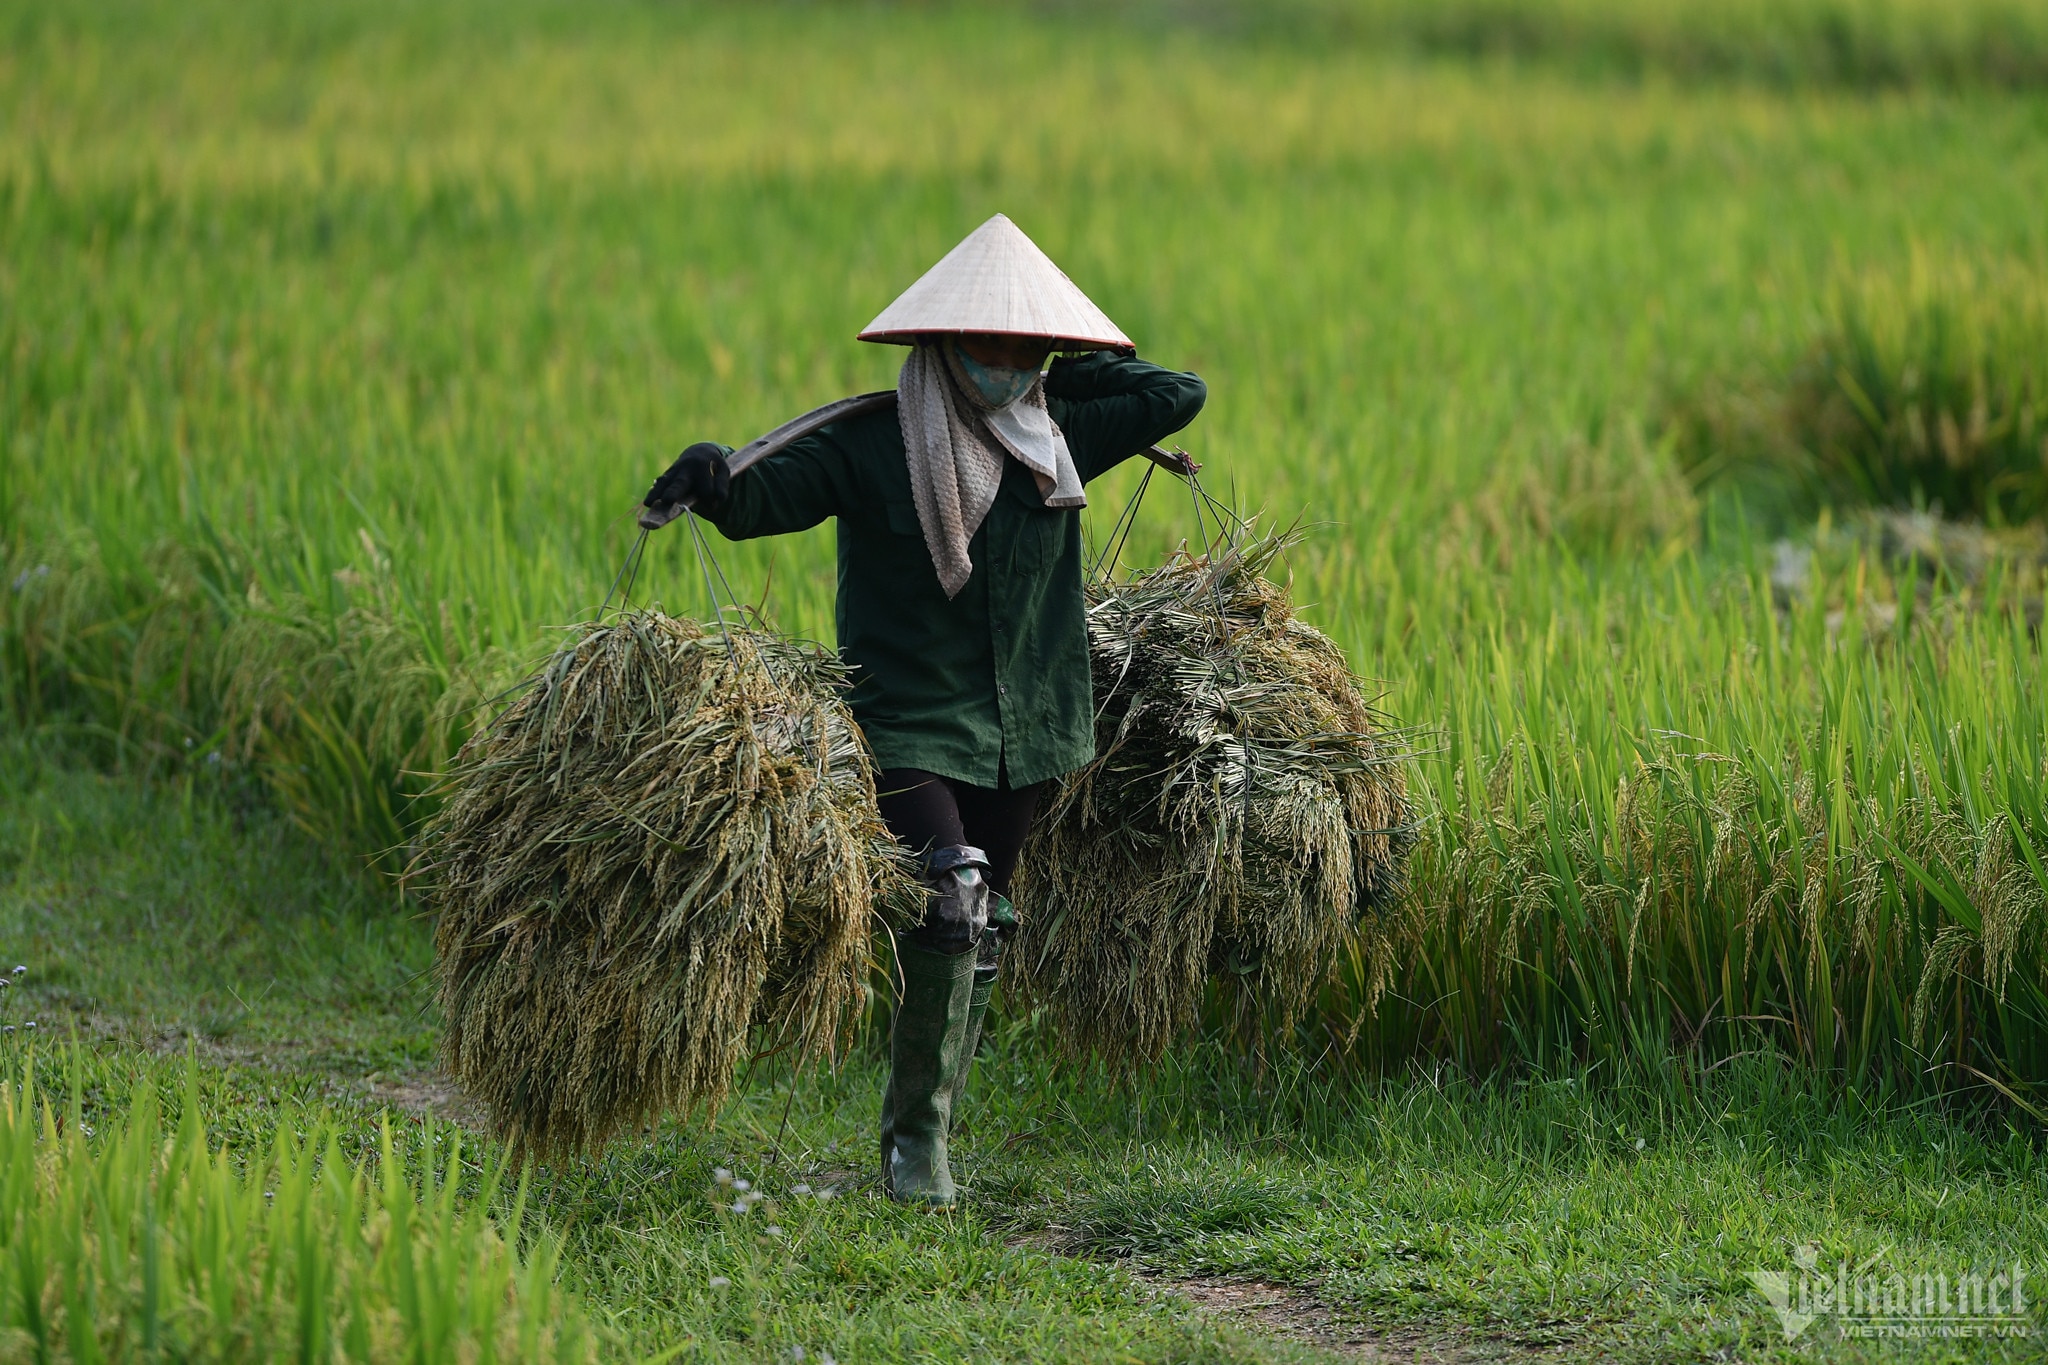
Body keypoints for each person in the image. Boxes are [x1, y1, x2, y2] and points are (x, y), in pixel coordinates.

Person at [644, 214, 1205, 1208]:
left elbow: (1176, 394)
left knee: (979, 919)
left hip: (1027, 722)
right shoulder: (872, 442)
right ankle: (916, 1154)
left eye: (1027, 344)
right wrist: (712, 478)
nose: (1006, 362)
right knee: (950, 892)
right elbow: (766, 493)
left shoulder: (1059, 432)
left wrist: (1068, 371)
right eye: (988, 343)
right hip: (906, 716)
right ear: (939, 344)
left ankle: (929, 1117)